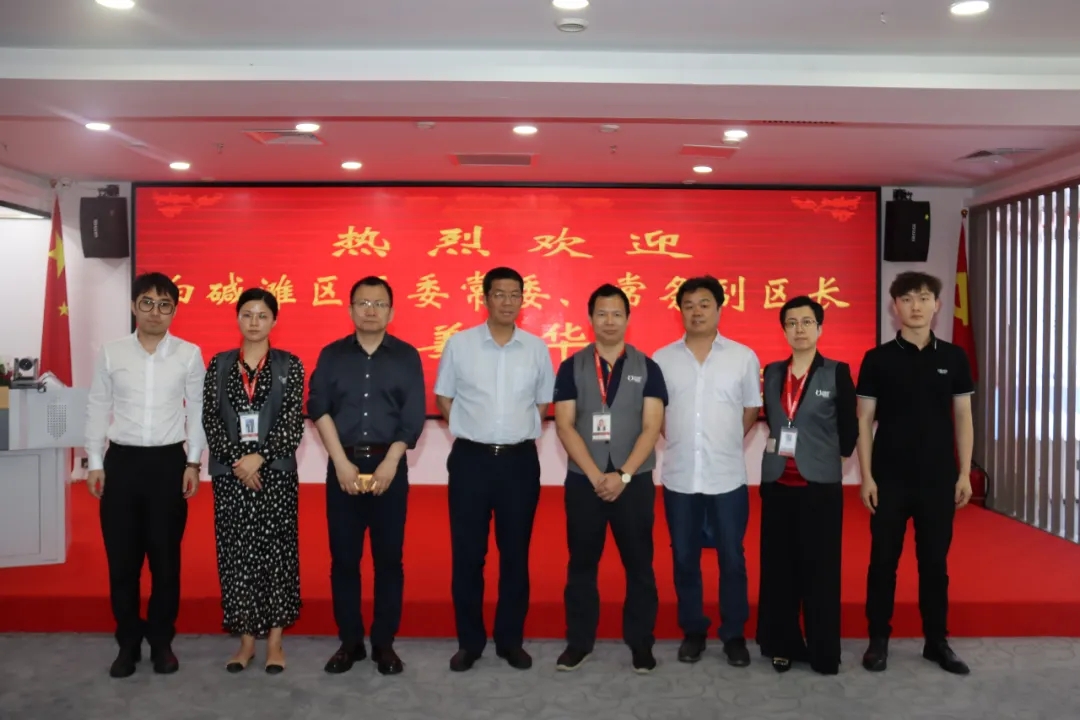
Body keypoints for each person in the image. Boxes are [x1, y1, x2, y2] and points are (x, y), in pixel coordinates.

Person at [434, 266, 555, 672]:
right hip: (471, 461)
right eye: (499, 294)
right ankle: (470, 642)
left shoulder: (536, 348)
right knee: (468, 556)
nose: (507, 301)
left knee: (515, 555)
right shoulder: (460, 344)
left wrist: (512, 432)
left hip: (519, 463)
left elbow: (542, 403)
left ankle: (509, 640)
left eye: (514, 294)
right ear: (484, 298)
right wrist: (473, 430)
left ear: (523, 300)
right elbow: (444, 398)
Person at [84, 272, 206, 678]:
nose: (156, 312)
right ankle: (128, 643)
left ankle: (161, 642)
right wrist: (95, 462)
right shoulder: (112, 352)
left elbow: (197, 412)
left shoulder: (189, 354)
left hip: (168, 465)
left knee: (165, 561)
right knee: (123, 562)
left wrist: (193, 462)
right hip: (122, 464)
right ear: (134, 306)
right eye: (148, 303)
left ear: (174, 310)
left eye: (165, 304)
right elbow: (97, 406)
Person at [856, 271, 975, 675]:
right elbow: (864, 420)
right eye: (906, 299)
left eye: (924, 298)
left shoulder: (954, 358)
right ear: (895, 307)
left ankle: (936, 641)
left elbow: (963, 416)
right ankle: (878, 640)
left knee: (934, 564)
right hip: (889, 478)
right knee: (882, 562)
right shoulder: (877, 359)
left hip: (938, 478)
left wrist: (964, 473)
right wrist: (867, 476)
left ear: (937, 305)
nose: (916, 306)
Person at [308, 276, 426, 676]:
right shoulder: (332, 355)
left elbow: (412, 416)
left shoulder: (407, 357)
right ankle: (350, 642)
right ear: (350, 309)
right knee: (344, 559)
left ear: (391, 311)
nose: (370, 310)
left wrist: (391, 462)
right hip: (342, 465)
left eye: (379, 304)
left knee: (389, 560)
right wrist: (340, 462)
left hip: (389, 465)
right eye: (363, 303)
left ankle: (384, 644)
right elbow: (318, 407)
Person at [552, 284, 667, 673]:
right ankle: (579, 642)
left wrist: (624, 475)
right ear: (590, 319)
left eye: (617, 313)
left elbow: (652, 427)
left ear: (628, 319)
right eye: (601, 313)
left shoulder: (648, 367)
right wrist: (596, 476)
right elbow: (565, 425)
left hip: (634, 482)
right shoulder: (572, 366)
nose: (609, 321)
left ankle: (641, 643)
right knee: (582, 564)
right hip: (585, 482)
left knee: (640, 565)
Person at [652, 275, 760, 667]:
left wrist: (724, 440)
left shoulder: (742, 357)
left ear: (719, 308)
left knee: (732, 558)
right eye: (688, 305)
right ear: (679, 310)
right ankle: (693, 631)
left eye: (704, 304)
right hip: (680, 476)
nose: (696, 312)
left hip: (726, 477)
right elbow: (656, 416)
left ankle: (734, 635)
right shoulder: (661, 359)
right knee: (684, 557)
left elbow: (750, 409)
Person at [202, 288, 305, 674]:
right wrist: (238, 462)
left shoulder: (289, 365)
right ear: (237, 318)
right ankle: (245, 641)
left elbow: (292, 420)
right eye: (247, 314)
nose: (255, 322)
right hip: (231, 478)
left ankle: (275, 641)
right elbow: (210, 418)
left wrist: (259, 458)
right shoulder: (220, 364)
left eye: (262, 315)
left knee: (277, 554)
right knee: (236, 554)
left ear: (274, 320)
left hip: (275, 474)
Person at [756, 296, 857, 675]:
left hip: (819, 489)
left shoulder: (837, 372)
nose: (799, 329)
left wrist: (830, 462)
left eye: (807, 322)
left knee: (821, 570)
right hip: (778, 484)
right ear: (784, 330)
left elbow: (849, 428)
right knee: (779, 569)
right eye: (792, 323)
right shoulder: (772, 373)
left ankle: (823, 650)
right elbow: (774, 422)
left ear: (820, 328)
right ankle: (782, 644)